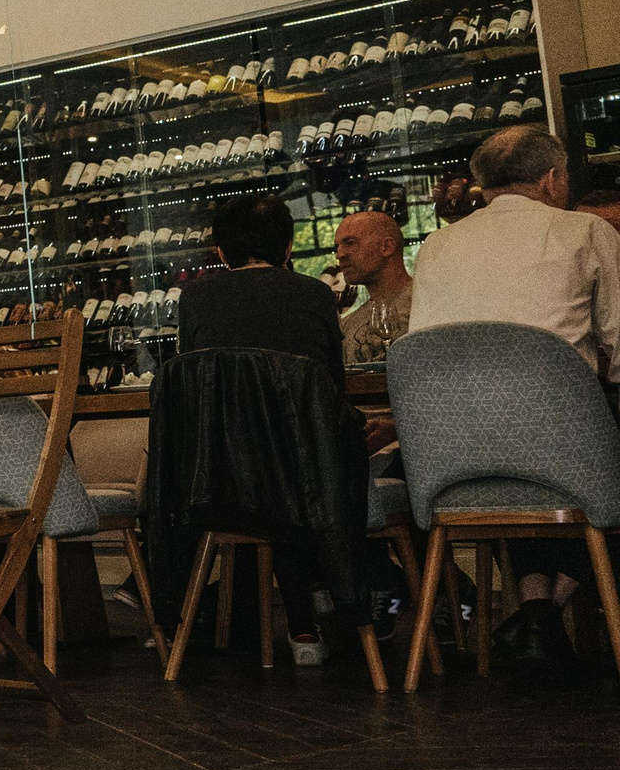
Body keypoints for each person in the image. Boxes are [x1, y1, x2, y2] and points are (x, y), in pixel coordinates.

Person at [408, 125, 620, 674]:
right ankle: (549, 612)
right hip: (562, 449)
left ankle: (533, 610)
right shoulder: (587, 231)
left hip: (452, 458)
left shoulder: (434, 246)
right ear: (552, 180)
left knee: (521, 434)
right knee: (573, 437)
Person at [173, 193, 350, 666]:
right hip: (305, 478)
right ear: (289, 247)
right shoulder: (313, 294)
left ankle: (179, 616)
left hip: (217, 475)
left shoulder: (194, 298)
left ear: (221, 250)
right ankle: (324, 599)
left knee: (264, 464)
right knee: (302, 460)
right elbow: (332, 388)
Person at [331, 210, 414, 365]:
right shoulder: (347, 324)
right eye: (337, 246)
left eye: (350, 243)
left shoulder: (424, 305)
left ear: (387, 247)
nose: (339, 254)